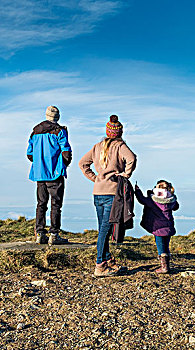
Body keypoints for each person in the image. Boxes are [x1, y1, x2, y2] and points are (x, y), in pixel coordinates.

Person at [78, 115, 137, 277]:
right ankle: (100, 265)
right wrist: (125, 175)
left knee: (103, 228)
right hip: (112, 193)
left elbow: (82, 163)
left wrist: (95, 178)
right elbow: (132, 158)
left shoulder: (97, 146)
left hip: (97, 192)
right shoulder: (119, 146)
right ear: (119, 132)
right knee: (105, 229)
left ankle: (107, 258)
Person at [27, 106, 72, 245]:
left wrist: (40, 162)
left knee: (41, 204)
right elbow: (66, 152)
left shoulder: (35, 131)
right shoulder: (60, 131)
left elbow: (29, 154)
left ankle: (40, 233)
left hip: (40, 174)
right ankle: (54, 234)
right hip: (55, 173)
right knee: (56, 204)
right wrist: (63, 164)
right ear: (57, 117)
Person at [135, 180, 179, 273]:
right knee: (166, 246)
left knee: (160, 247)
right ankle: (167, 265)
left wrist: (137, 191)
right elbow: (176, 206)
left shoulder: (152, 201)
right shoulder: (171, 201)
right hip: (168, 227)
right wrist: (172, 196)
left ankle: (164, 268)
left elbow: (141, 199)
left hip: (158, 228)